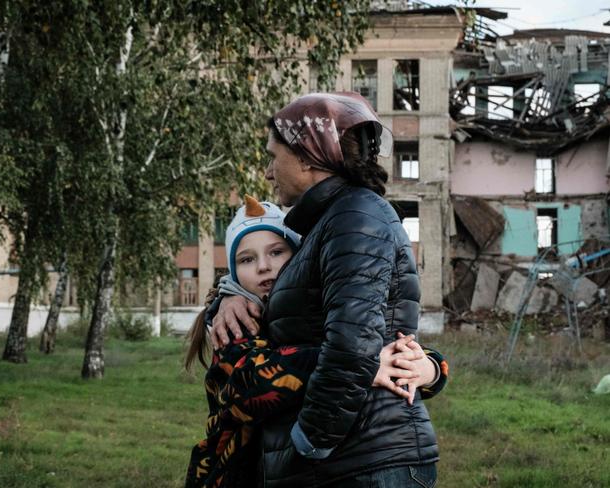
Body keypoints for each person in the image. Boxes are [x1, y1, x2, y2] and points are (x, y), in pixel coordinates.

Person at [210, 92, 444, 487]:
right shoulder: (327, 224)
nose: (268, 172)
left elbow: (355, 346)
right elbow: (296, 320)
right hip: (348, 460)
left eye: (273, 156)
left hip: (360, 460)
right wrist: (228, 294)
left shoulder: (355, 216)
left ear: (306, 156)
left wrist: (309, 441)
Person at [185, 195, 446, 488]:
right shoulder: (234, 323)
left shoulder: (305, 308)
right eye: (247, 259)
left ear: (297, 256)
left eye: (276, 252)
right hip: (239, 472)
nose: (263, 267)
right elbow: (250, 385)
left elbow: (371, 342)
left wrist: (431, 368)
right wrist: (356, 365)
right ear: (233, 272)